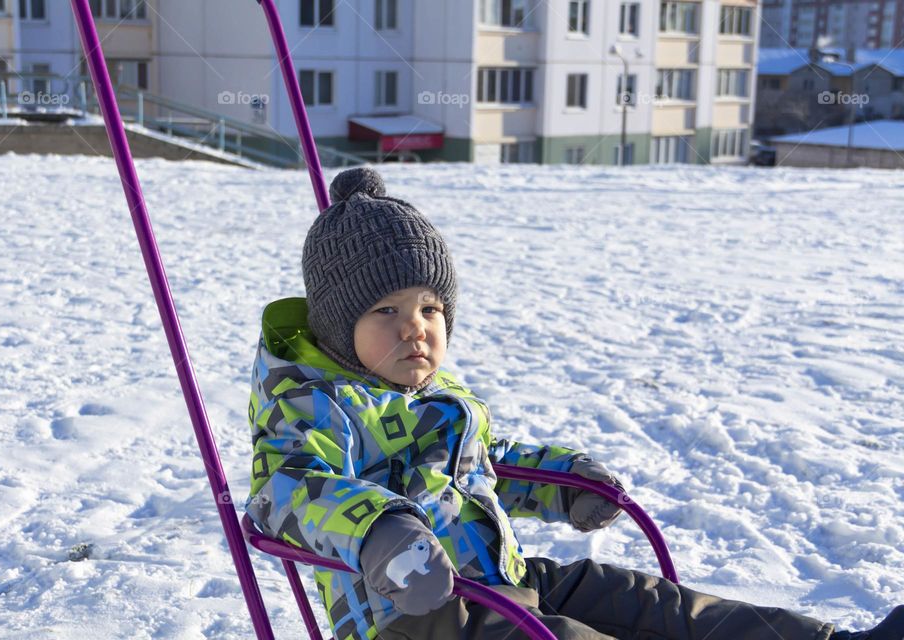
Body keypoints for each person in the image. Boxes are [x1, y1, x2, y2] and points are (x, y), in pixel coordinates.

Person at [245, 167, 902, 640]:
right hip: (416, 617)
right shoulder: (317, 404)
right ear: (337, 327)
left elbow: (487, 463)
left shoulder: (432, 394)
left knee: (652, 604)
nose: (416, 327)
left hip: (502, 576)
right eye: (386, 310)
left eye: (430, 308)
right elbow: (287, 489)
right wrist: (381, 531)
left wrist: (564, 482)